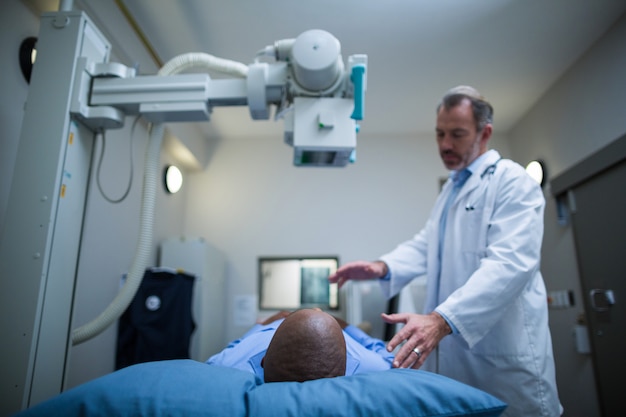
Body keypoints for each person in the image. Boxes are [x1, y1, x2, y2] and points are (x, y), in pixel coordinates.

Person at [328, 86, 562, 416]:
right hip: (459, 360)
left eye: (457, 134)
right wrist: (381, 267)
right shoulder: (452, 189)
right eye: (439, 134)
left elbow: (512, 264)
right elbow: (427, 245)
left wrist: (441, 320)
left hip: (502, 358)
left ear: (485, 133)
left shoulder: (510, 180)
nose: (445, 145)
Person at [206, 308, 393, 382]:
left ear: (263, 360)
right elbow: (384, 352)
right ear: (346, 367)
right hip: (337, 331)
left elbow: (235, 346)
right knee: (365, 328)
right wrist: (347, 327)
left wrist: (263, 324)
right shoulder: (371, 365)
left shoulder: (228, 365)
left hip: (273, 327)